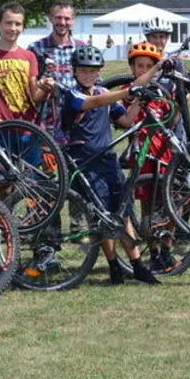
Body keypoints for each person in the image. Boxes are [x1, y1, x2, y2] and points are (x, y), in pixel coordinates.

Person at [60, 44, 164, 284]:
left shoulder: (105, 93)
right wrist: (129, 91)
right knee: (102, 217)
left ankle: (137, 265)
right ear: (74, 71)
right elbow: (95, 102)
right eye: (84, 70)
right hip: (84, 164)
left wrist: (138, 97)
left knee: (123, 214)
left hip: (108, 161)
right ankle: (114, 266)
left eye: (93, 71)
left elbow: (127, 120)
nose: (88, 75)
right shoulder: (72, 94)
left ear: (99, 71)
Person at [0, 2, 55, 125]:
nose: (13, 28)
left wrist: (45, 88)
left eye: (18, 24)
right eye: (8, 23)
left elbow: (35, 96)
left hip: (28, 129)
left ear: (23, 27)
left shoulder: (29, 56)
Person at [28, 1, 84, 143]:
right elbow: (30, 89)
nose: (62, 22)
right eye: (58, 17)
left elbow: (96, 83)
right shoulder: (35, 48)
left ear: (73, 21)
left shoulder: (82, 48)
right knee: (50, 163)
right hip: (48, 121)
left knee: (79, 163)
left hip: (78, 119)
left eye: (67, 18)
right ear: (51, 18)